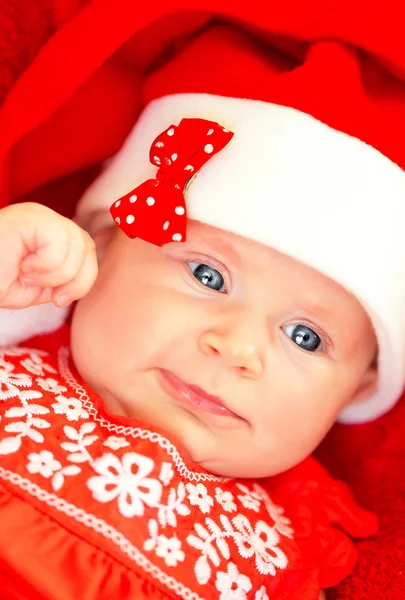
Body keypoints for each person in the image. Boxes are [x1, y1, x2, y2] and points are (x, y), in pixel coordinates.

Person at [0, 17, 404, 600]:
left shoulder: (292, 543)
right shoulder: (16, 334)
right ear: (104, 244)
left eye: (306, 337)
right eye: (208, 274)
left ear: (358, 390)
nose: (237, 348)